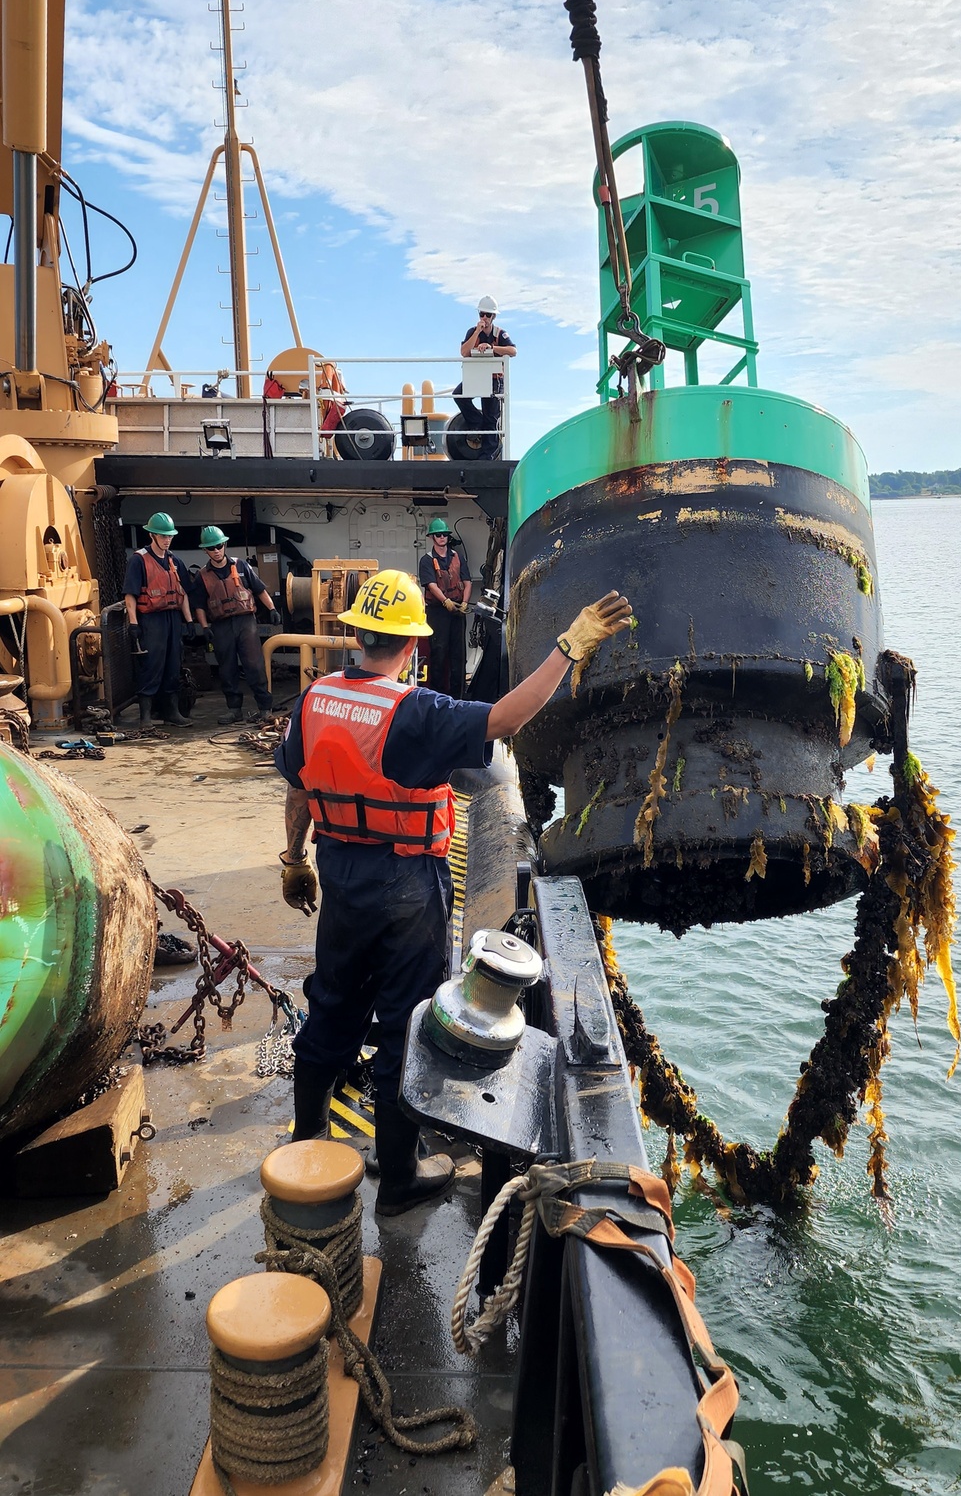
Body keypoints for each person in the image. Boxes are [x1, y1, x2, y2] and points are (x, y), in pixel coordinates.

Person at [274, 568, 632, 1216]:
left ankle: (306, 1140)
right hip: (408, 884)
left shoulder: (316, 699)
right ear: (411, 644)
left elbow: (298, 787)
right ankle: (400, 1174)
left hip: (342, 876)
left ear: (356, 633)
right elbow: (506, 717)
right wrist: (570, 646)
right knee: (403, 1023)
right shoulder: (416, 714)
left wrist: (294, 859)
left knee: (330, 1005)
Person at [189, 526, 279, 725]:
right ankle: (234, 710)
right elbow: (199, 606)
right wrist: (205, 627)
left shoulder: (241, 566)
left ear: (225, 545)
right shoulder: (202, 576)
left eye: (219, 546)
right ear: (205, 550)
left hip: (245, 622)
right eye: (212, 548)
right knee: (227, 668)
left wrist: (272, 609)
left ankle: (265, 708)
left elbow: (259, 589)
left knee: (254, 665)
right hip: (221, 626)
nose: (216, 550)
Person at [123, 513, 194, 727]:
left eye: (169, 536)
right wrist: (134, 623)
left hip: (172, 617)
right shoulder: (138, 560)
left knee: (173, 664)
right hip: (151, 620)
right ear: (152, 535)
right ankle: (145, 716)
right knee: (151, 665)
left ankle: (171, 712)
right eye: (163, 535)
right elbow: (130, 595)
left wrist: (189, 621)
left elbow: (182, 593)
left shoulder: (174, 561)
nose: (167, 539)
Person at [453, 294, 515, 459]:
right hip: (475, 376)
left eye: (488, 315)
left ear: (493, 316)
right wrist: (478, 332)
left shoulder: (500, 334)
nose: (485, 318)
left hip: (494, 378)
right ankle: (476, 423)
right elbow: (464, 352)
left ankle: (488, 454)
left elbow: (513, 351)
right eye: (482, 314)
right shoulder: (472, 332)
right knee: (459, 395)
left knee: (491, 415)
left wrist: (492, 348)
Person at [418, 517, 471, 698]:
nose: (442, 538)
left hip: (458, 612)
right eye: (438, 535)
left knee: (459, 654)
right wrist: (445, 601)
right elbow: (431, 584)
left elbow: (467, 582)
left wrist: (464, 602)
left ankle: (459, 696)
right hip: (437, 613)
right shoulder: (426, 560)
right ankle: (438, 695)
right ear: (432, 537)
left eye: (444, 535)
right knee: (438, 652)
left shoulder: (458, 557)